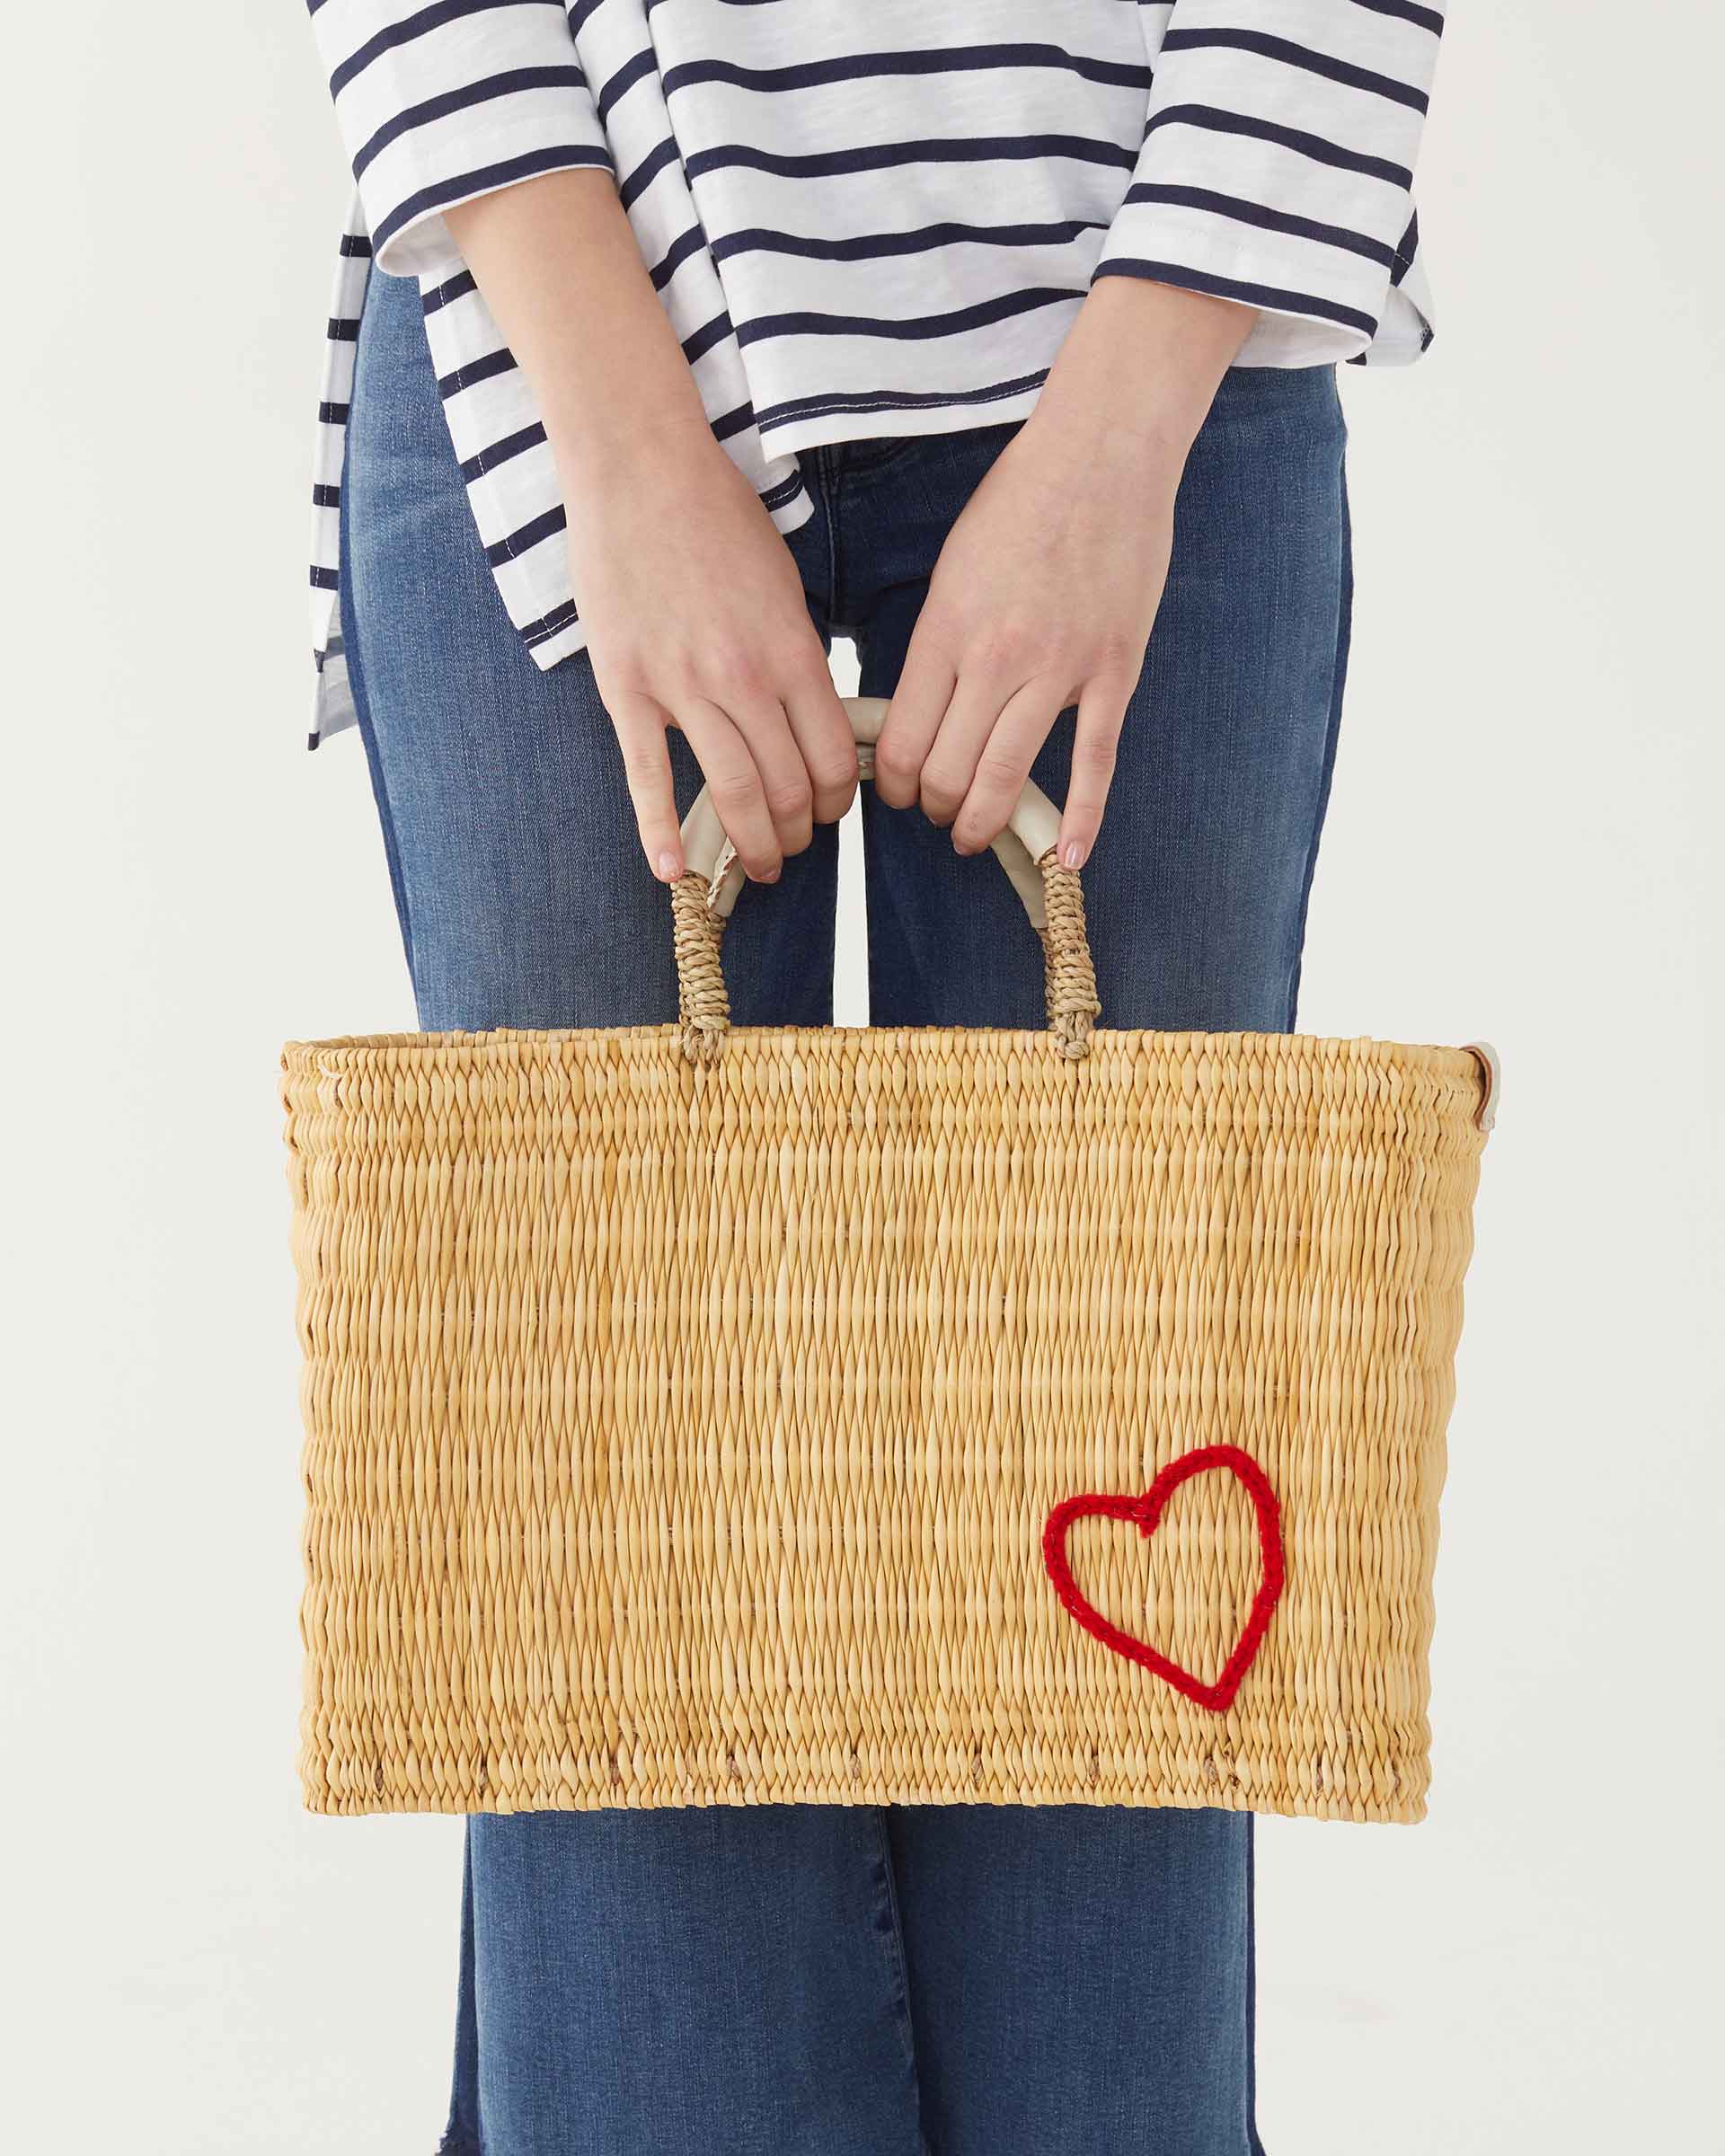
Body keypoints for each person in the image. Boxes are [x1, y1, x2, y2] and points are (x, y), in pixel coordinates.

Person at [299, 4, 1445, 2151]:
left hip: (1158, 341)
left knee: (1112, 1690)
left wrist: (1126, 428)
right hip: (555, 331)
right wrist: (625, 450)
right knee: (614, 1646)